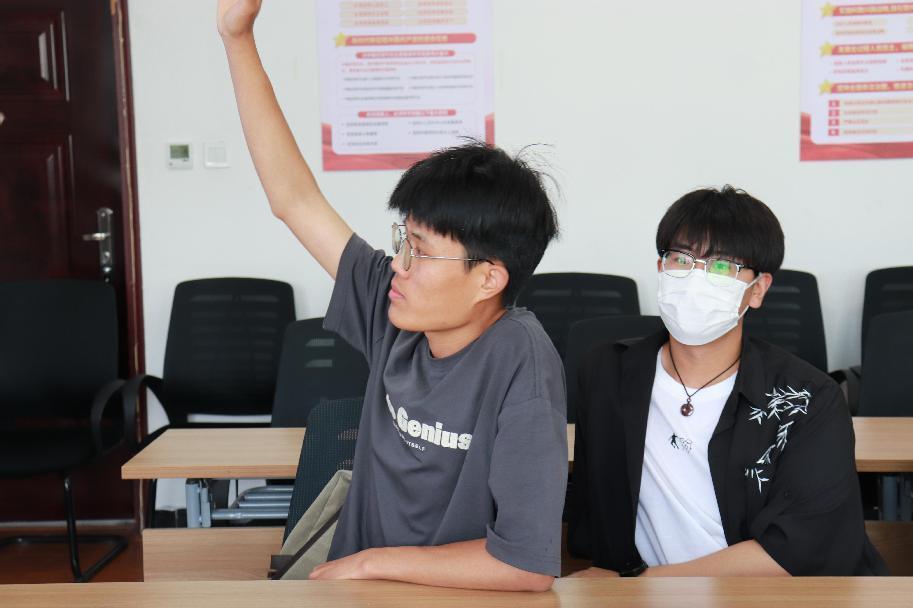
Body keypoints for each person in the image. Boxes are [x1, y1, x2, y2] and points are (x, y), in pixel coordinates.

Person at [217, 0, 566, 591]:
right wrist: (237, 38)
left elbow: (525, 566)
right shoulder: (397, 306)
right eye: (403, 240)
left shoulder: (521, 363)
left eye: (421, 251)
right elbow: (293, 199)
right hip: (359, 592)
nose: (398, 266)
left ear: (489, 278)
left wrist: (370, 561)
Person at [567, 185, 887, 577]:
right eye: (681, 259)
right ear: (661, 269)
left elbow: (799, 550)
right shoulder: (607, 374)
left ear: (758, 290)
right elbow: (592, 523)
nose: (695, 278)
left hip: (764, 598)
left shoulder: (808, 399)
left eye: (722, 266)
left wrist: (646, 587)